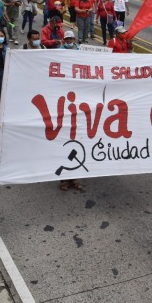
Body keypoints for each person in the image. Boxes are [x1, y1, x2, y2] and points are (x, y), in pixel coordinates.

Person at [58, 32, 83, 191]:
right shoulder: (59, 53)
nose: (69, 41)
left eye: (71, 39)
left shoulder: (82, 52)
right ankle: (64, 180)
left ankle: (74, 178)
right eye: (67, 39)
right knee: (63, 146)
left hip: (79, 111)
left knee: (79, 146)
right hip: (64, 111)